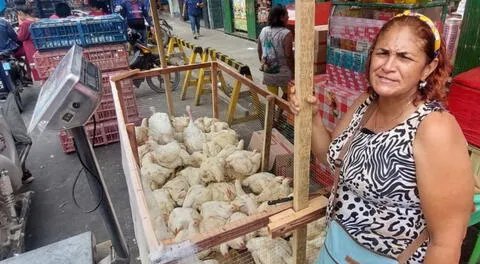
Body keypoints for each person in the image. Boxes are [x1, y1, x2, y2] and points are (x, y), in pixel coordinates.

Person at [289, 11, 473, 263]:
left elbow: (446, 242)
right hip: (334, 249)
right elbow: (329, 158)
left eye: (404, 57)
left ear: (427, 68)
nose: (388, 66)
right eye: (382, 53)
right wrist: (312, 117)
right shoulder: (367, 104)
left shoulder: (434, 129)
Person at [257, 5, 293, 99]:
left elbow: (259, 50)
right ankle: (279, 112)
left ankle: (275, 113)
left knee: (272, 98)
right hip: (284, 74)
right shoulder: (286, 33)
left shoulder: (263, 30)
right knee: (289, 96)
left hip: (268, 72)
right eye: (286, 15)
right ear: (281, 17)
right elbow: (289, 55)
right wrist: (293, 72)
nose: (288, 17)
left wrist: (264, 64)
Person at [15, 4, 39, 81]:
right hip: (37, 45)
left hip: (30, 47)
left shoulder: (25, 24)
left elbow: (21, 37)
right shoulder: (36, 20)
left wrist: (19, 29)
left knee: (35, 67)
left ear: (21, 13)